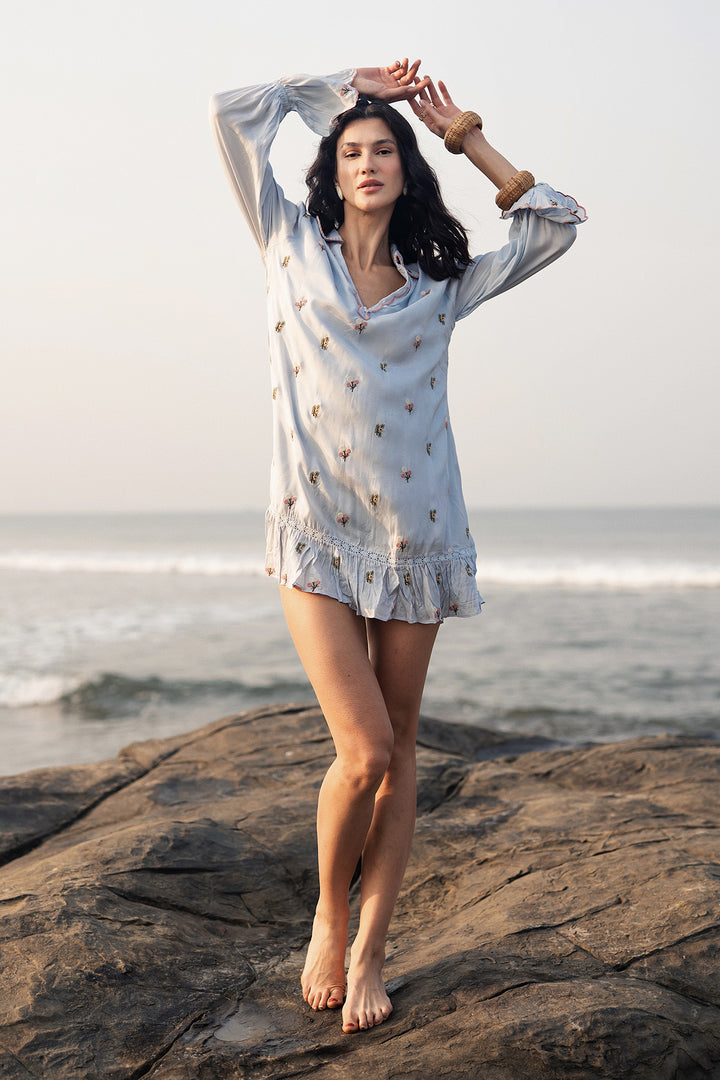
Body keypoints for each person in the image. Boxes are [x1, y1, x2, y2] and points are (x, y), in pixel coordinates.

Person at [210, 59, 586, 1035]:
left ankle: (375, 948)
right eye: (353, 150)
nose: (369, 160)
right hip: (316, 536)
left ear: (406, 174)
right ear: (330, 174)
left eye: (385, 150)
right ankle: (329, 915)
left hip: (416, 544)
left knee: (403, 749)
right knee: (364, 749)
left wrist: (462, 133)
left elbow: (553, 222)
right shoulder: (288, 246)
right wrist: (340, 86)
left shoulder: (440, 283)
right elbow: (230, 112)